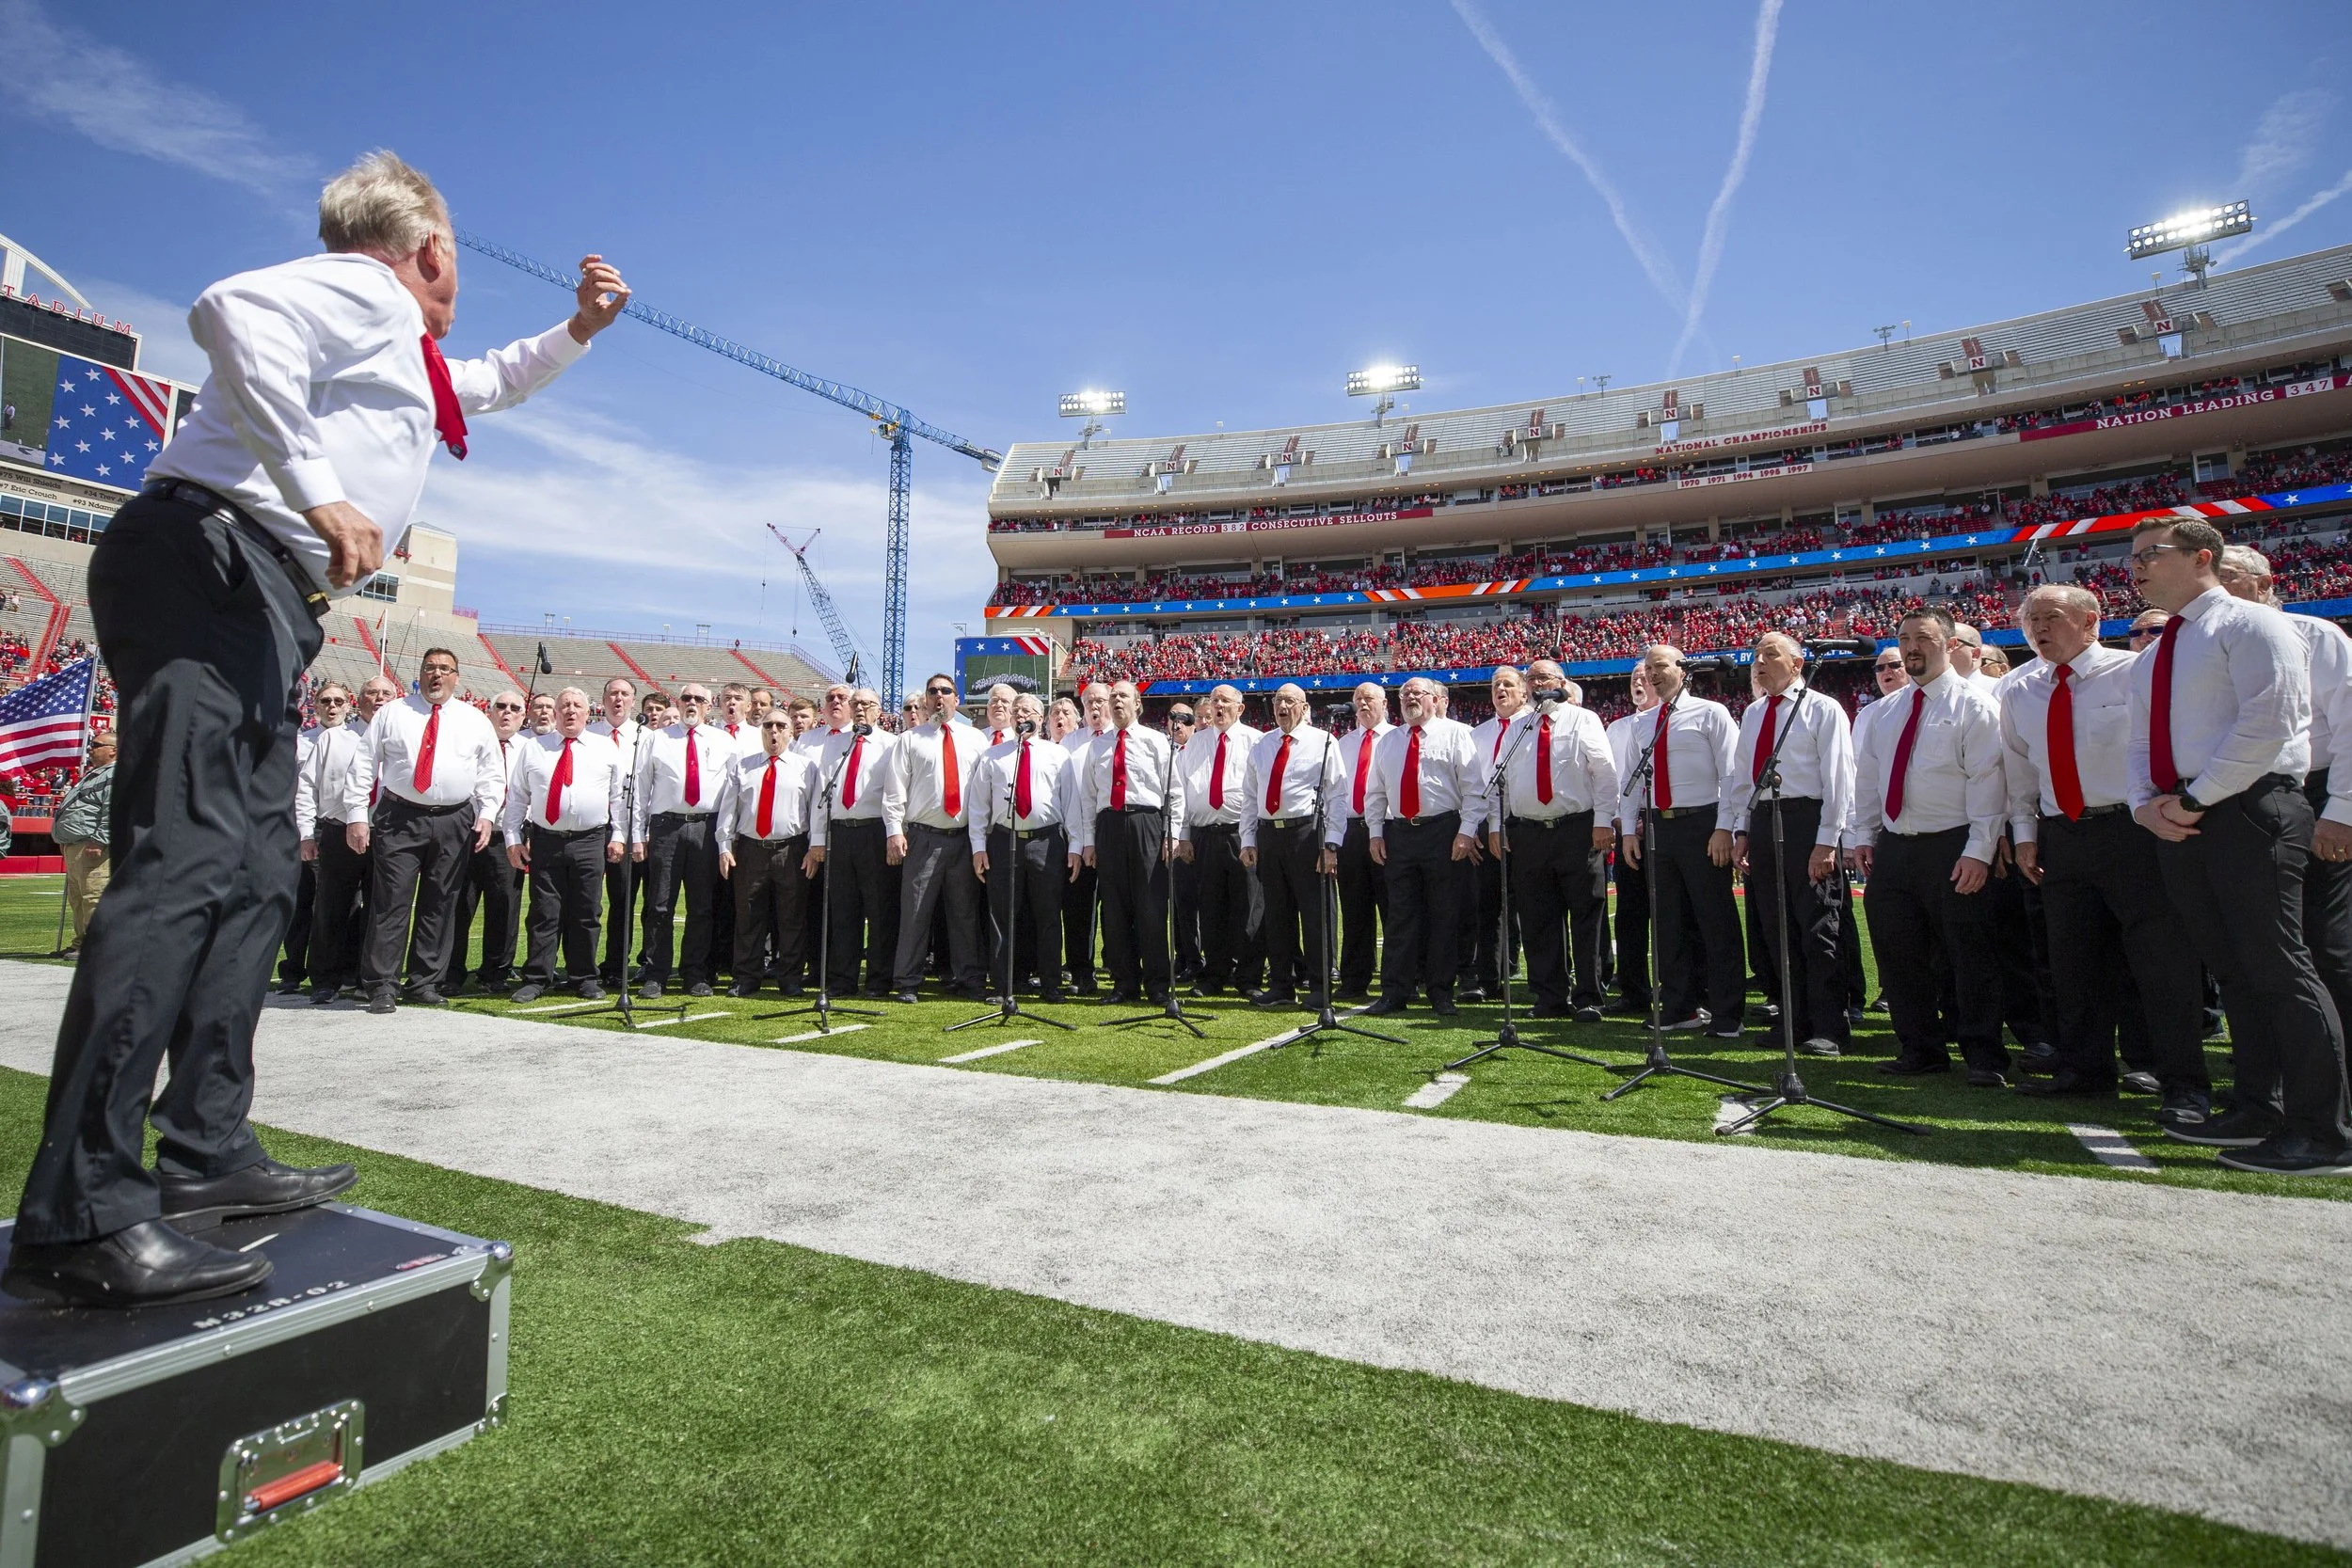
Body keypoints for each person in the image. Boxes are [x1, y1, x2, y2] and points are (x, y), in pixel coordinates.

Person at [6, 149, 628, 1306]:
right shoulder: (367, 290)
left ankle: (202, 1152)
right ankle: (79, 1202)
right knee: (185, 866)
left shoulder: (408, 351)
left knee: (250, 875)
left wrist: (579, 329)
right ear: (429, 250)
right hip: (213, 560)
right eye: (452, 257)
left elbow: (487, 379)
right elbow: (228, 309)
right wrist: (316, 484)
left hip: (257, 593)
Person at [2129, 519, 2350, 1174]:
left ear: (2203, 557)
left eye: (2150, 554)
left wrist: (2196, 797)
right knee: (2234, 968)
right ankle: (2259, 1103)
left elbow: (2271, 721)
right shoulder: (2165, 646)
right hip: (2186, 817)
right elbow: (2143, 737)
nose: (2136, 567)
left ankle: (2324, 1128)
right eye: (2133, 557)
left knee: (2280, 966)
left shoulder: (2255, 625)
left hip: (2249, 810)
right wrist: (2149, 806)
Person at [1999, 585, 2208, 1118]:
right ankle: (2085, 1070)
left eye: (2051, 617)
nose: (2039, 629)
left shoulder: (2135, 671)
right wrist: (2026, 836)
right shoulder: (2021, 690)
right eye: (2031, 621)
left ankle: (2181, 1081)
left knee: (2160, 962)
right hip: (2061, 836)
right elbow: (2021, 773)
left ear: (2091, 620)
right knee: (2073, 962)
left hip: (2134, 832)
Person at [1850, 608, 2010, 1085]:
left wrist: (1979, 849)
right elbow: (1871, 782)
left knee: (1968, 953)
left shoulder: (1974, 705)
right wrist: (1865, 835)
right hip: (1896, 846)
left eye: (1923, 637)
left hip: (1953, 844)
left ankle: (1983, 1054)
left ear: (1948, 644)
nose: (1913, 646)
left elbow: (1988, 782)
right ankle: (1920, 1047)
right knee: (1899, 952)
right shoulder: (1884, 712)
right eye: (1904, 638)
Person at [2217, 545, 2352, 1057]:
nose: (2220, 587)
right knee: (2251, 947)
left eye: (2229, 576)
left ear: (2265, 583)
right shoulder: (2205, 647)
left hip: (2312, 793)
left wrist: (2341, 810)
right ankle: (2270, 1075)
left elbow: (2348, 726)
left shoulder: (2316, 636)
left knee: (2323, 943)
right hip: (2235, 800)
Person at [349, 648, 506, 1013]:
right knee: (391, 902)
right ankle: (382, 985)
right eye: (430, 668)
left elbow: (491, 773)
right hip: (399, 816)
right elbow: (363, 764)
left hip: (455, 819)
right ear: (419, 673)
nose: (437, 675)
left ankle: (424, 981)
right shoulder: (393, 713)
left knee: (441, 902)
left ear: (456, 676)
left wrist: (486, 814)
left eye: (445, 669)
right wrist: (358, 814)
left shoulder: (474, 720)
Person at [1723, 633, 1855, 1056]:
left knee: (1817, 927)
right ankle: (1793, 1019)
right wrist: (1742, 831)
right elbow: (1743, 779)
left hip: (1807, 820)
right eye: (1756, 656)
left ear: (1797, 664)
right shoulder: (1754, 712)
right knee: (1775, 927)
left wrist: (1827, 841)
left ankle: (1829, 1026)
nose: (1759, 662)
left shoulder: (1822, 708)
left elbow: (1839, 779)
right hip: (1765, 822)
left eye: (1770, 655)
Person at [1616, 645, 1745, 1041]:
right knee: (1668, 923)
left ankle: (1727, 1013)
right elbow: (1633, 781)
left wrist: (1725, 827)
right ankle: (1679, 1007)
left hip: (1703, 824)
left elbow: (1732, 774)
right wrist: (1626, 831)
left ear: (1681, 668)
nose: (1652, 675)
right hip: (1659, 827)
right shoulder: (1644, 723)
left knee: (1715, 920)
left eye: (1660, 667)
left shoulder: (1712, 712)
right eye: (1647, 669)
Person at [1489, 668, 1615, 1021]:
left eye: (1545, 677)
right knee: (1537, 917)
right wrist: (1499, 825)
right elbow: (1504, 782)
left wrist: (1604, 820)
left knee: (1585, 915)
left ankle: (1589, 995)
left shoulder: (1583, 720)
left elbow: (1604, 771)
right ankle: (1549, 997)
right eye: (1531, 678)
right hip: (1529, 833)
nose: (1537, 684)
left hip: (1576, 829)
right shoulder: (1518, 728)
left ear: (1561, 683)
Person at [1361, 677, 1484, 1016]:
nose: (1411, 697)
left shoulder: (1457, 733)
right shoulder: (1389, 742)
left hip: (1443, 831)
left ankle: (1441, 991)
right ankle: (1395, 991)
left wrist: (1466, 831)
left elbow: (1474, 789)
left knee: (1443, 914)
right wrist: (1375, 832)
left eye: (1418, 692)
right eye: (1405, 694)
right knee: (1400, 915)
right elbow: (1376, 793)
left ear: (1435, 698)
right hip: (1400, 832)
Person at [502, 687, 623, 1004]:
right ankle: (537, 977)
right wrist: (513, 837)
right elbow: (517, 796)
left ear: (588, 712)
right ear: (555, 712)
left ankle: (583, 977)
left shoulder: (605, 747)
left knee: (587, 910)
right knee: (544, 911)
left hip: (590, 839)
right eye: (564, 705)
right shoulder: (534, 748)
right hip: (546, 840)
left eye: (577, 705)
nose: (570, 710)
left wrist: (620, 835)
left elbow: (618, 798)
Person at [1070, 681, 1183, 1005]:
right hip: (1109, 825)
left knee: (1150, 906)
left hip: (1146, 823)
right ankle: (1124, 983)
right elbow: (1090, 798)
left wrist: (1170, 834)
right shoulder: (1098, 746)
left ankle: (1158, 984)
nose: (1117, 701)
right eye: (1113, 696)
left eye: (1123, 696)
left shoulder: (1156, 741)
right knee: (1115, 910)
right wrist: (1089, 842)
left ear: (1138, 704)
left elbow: (1173, 791)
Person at [1240, 684, 1345, 1006]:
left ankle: (1320, 985)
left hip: (1307, 833)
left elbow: (1338, 795)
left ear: (1303, 706)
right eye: (1277, 701)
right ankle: (1282, 984)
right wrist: (1248, 838)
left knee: (1315, 914)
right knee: (1277, 914)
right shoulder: (1262, 744)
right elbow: (1249, 796)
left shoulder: (1324, 742)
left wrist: (1331, 844)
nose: (1282, 706)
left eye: (1289, 700)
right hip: (1270, 835)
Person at [887, 673, 989, 1002]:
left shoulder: (975, 739)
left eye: (946, 691)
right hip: (923, 837)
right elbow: (894, 791)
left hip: (963, 838)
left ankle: (970, 978)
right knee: (915, 912)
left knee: (964, 913)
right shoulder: (910, 739)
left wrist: (981, 840)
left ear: (956, 699)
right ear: (926, 700)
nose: (939, 697)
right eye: (933, 692)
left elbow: (984, 791)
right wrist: (894, 831)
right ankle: (907, 981)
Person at [629, 683, 732, 998]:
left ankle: (695, 972)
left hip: (706, 828)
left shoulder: (724, 741)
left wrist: (725, 839)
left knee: (701, 908)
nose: (692, 703)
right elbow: (641, 789)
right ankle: (656, 973)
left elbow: (732, 795)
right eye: (686, 698)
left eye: (699, 699)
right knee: (659, 905)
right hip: (666, 828)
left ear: (709, 704)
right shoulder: (656, 740)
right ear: (678, 701)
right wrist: (637, 834)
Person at [972, 693, 1074, 1001]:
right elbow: (979, 806)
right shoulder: (993, 756)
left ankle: (1050, 983)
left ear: (1040, 718)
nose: (1020, 716)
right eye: (1016, 711)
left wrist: (1077, 845)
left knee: (1047, 915)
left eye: (1027, 711)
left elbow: (1070, 804)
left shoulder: (1058, 755)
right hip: (1004, 841)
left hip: (1047, 841)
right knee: (1002, 916)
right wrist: (978, 846)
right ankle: (1004, 985)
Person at [716, 710, 819, 999]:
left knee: (792, 918)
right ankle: (746, 977)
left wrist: (815, 847)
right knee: (748, 915)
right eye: (768, 726)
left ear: (789, 732)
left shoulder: (806, 767)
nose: (773, 731)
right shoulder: (743, 767)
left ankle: (790, 979)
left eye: (780, 726)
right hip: (750, 849)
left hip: (791, 849)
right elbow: (729, 810)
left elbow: (815, 810)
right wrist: (725, 846)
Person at [810, 689, 898, 997]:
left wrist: (893, 834)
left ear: (878, 711)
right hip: (839, 833)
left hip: (873, 832)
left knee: (879, 911)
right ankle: (842, 980)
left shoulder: (891, 745)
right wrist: (818, 839)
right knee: (842, 910)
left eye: (867, 704)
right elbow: (823, 794)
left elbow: (895, 795)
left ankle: (877, 980)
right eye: (855, 703)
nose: (860, 709)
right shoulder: (835, 744)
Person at [1175, 685, 1262, 996]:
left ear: (1240, 708)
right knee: (1210, 909)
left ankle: (1249, 978)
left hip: (1241, 832)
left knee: (1248, 907)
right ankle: (1214, 976)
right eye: (1215, 701)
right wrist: (1183, 836)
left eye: (1226, 701)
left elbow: (1257, 794)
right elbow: (1181, 794)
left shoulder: (1255, 741)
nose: (1219, 706)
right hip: (1204, 835)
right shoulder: (1194, 744)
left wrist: (1252, 837)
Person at [439, 687, 527, 992]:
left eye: (515, 708)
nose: (507, 712)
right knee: (460, 906)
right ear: (489, 712)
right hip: (468, 835)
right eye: (500, 706)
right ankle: (451, 972)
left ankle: (496, 973)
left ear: (522, 715)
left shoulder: (530, 749)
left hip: (507, 838)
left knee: (504, 907)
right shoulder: (472, 744)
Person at [1463, 666, 1528, 1004]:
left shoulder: (1534, 725)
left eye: (1508, 684)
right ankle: (1489, 980)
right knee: (1488, 908)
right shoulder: (1479, 734)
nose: (1500, 689)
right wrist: (1474, 826)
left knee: (1538, 908)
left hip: (1529, 825)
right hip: (1489, 829)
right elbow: (1473, 787)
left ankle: (1548, 984)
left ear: (1523, 691)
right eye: (1495, 685)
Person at [1604, 667, 1659, 1017]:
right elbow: (1611, 780)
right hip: (1627, 828)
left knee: (1677, 914)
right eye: (1633, 678)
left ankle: (1687, 989)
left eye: (1645, 676)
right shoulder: (1617, 727)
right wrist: (1622, 821)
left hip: (1664, 821)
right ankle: (1634, 990)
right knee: (1630, 916)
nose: (1638, 682)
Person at [1333, 682, 1393, 1000]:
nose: (1363, 703)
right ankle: (1354, 978)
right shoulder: (1343, 743)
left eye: (1369, 698)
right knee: (1354, 909)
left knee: (1392, 907)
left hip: (1386, 828)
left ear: (1384, 703)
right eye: (1358, 698)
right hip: (1351, 830)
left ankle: (1397, 979)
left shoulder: (1395, 738)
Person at [588, 676, 645, 989]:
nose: (618, 699)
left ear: (633, 701)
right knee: (588, 901)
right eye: (613, 693)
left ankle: (615, 965)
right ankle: (581, 965)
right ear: (603, 698)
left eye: (625, 694)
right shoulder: (589, 734)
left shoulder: (646, 737)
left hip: (629, 826)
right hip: (592, 826)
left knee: (623, 900)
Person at [1059, 684, 1112, 993]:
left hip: (1112, 836)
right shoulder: (1070, 743)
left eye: (1100, 701)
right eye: (1089, 701)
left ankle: (1122, 969)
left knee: (1118, 909)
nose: (1095, 707)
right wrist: (1076, 843)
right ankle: (1081, 973)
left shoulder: (1119, 739)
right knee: (1079, 910)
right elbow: (1068, 796)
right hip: (1078, 840)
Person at [51, 733, 116, 954]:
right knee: (77, 898)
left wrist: (99, 840)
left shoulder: (114, 774)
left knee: (93, 896)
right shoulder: (93, 775)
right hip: (76, 846)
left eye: (96, 745)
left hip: (93, 847)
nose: (90, 749)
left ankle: (95, 947)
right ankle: (81, 943)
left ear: (112, 750)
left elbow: (112, 809)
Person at [1165, 701, 1203, 983]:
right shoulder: (1164, 750)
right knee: (1179, 905)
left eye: (1185, 719)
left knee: (1198, 903)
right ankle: (1184, 956)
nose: (1177, 724)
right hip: (1170, 835)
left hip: (1196, 833)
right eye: (1171, 718)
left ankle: (1200, 958)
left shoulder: (1197, 753)